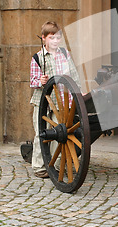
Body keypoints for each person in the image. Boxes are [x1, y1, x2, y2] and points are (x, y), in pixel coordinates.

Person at [29, 21, 80, 178]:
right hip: (43, 101)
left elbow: (73, 75)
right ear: (44, 38)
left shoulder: (65, 54)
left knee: (60, 134)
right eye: (52, 38)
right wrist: (41, 81)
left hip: (61, 102)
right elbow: (32, 81)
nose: (55, 41)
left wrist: (79, 93)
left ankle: (57, 164)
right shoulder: (37, 58)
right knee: (41, 134)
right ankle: (39, 167)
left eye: (58, 38)